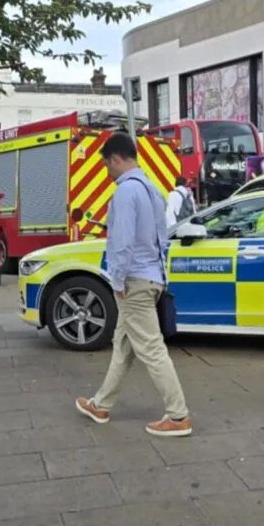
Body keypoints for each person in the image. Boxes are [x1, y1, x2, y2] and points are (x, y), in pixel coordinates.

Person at [76, 132, 191, 438]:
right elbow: (162, 237)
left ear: (115, 159)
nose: (106, 171)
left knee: (151, 349)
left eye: (106, 165)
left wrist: (117, 279)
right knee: (124, 346)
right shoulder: (153, 189)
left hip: (133, 280)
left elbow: (122, 241)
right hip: (151, 275)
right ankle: (100, 404)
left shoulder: (126, 192)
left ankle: (178, 416)